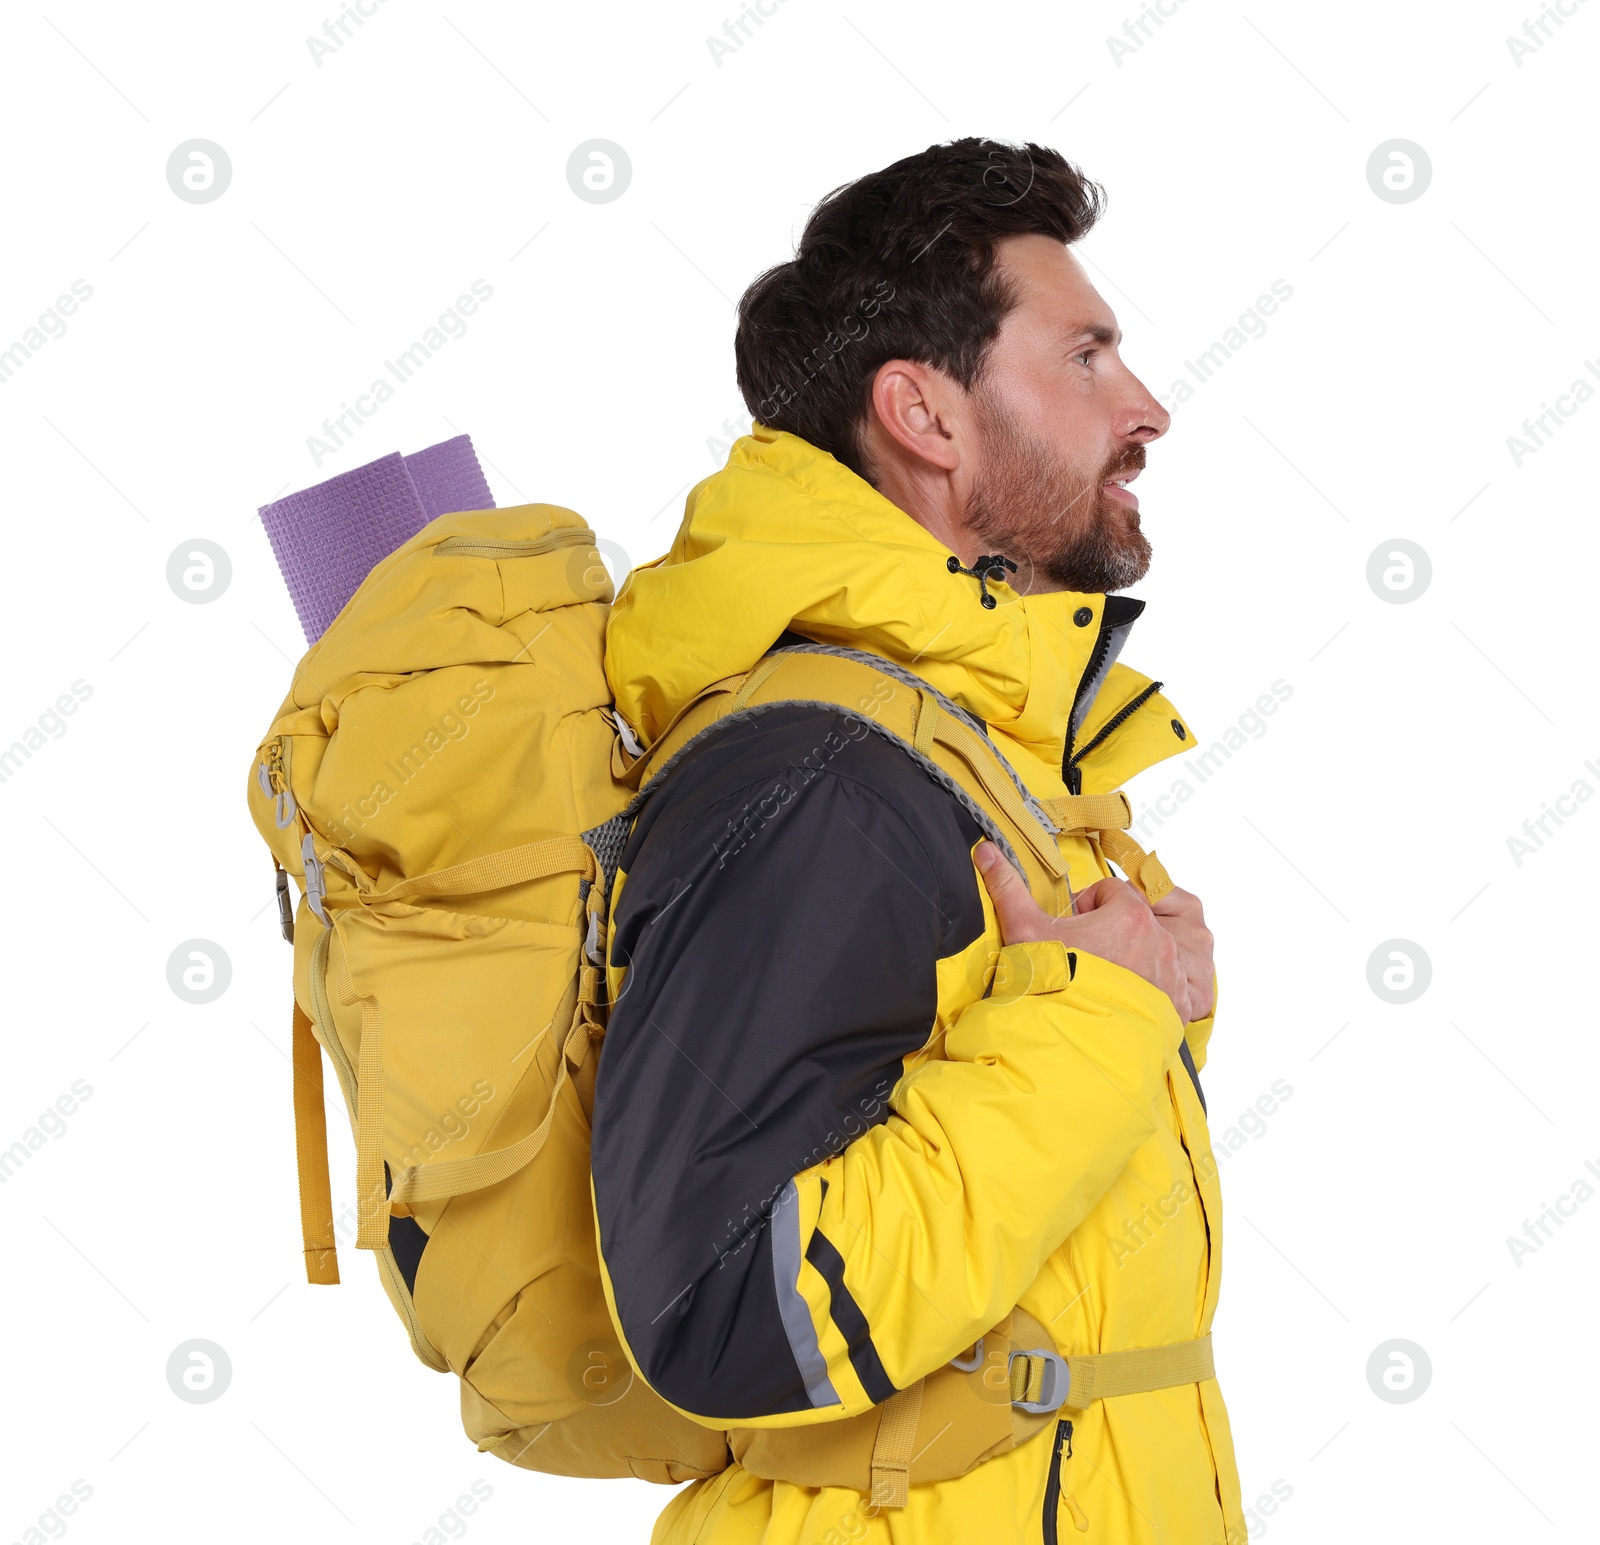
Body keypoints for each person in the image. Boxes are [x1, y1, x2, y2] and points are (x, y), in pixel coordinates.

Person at [592, 138, 1245, 1545]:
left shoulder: (975, 753)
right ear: (925, 415)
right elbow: (722, 1304)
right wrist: (1089, 1025)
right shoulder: (815, 766)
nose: (1146, 408)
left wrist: (1126, 1012)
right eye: (1086, 356)